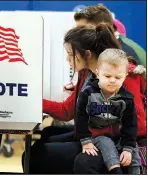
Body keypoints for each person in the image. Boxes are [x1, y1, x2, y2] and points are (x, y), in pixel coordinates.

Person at [22, 23, 146, 174]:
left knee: (36, 155)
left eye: (70, 54)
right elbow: (67, 111)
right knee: (45, 137)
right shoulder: (85, 73)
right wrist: (33, 100)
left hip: (118, 143)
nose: (68, 59)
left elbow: (139, 126)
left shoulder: (124, 75)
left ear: (87, 54)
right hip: (94, 136)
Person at [76, 48, 141, 174]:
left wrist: (128, 149)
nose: (112, 80)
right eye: (107, 76)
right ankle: (115, 171)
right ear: (97, 72)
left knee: (134, 150)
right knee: (106, 145)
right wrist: (85, 141)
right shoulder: (87, 94)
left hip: (119, 136)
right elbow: (81, 118)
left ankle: (137, 172)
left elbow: (131, 125)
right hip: (97, 134)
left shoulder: (126, 98)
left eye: (118, 77)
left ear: (125, 76)